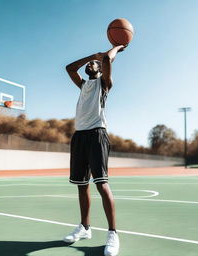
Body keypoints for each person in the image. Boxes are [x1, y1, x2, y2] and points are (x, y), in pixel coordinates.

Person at [64, 45, 125, 256]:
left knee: (101, 184)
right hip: (79, 135)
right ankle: (85, 228)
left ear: (100, 70)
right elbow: (69, 68)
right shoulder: (83, 85)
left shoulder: (104, 84)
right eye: (90, 63)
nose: (91, 65)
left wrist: (115, 47)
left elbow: (108, 61)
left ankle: (112, 234)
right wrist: (92, 56)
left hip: (97, 134)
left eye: (94, 64)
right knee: (82, 185)